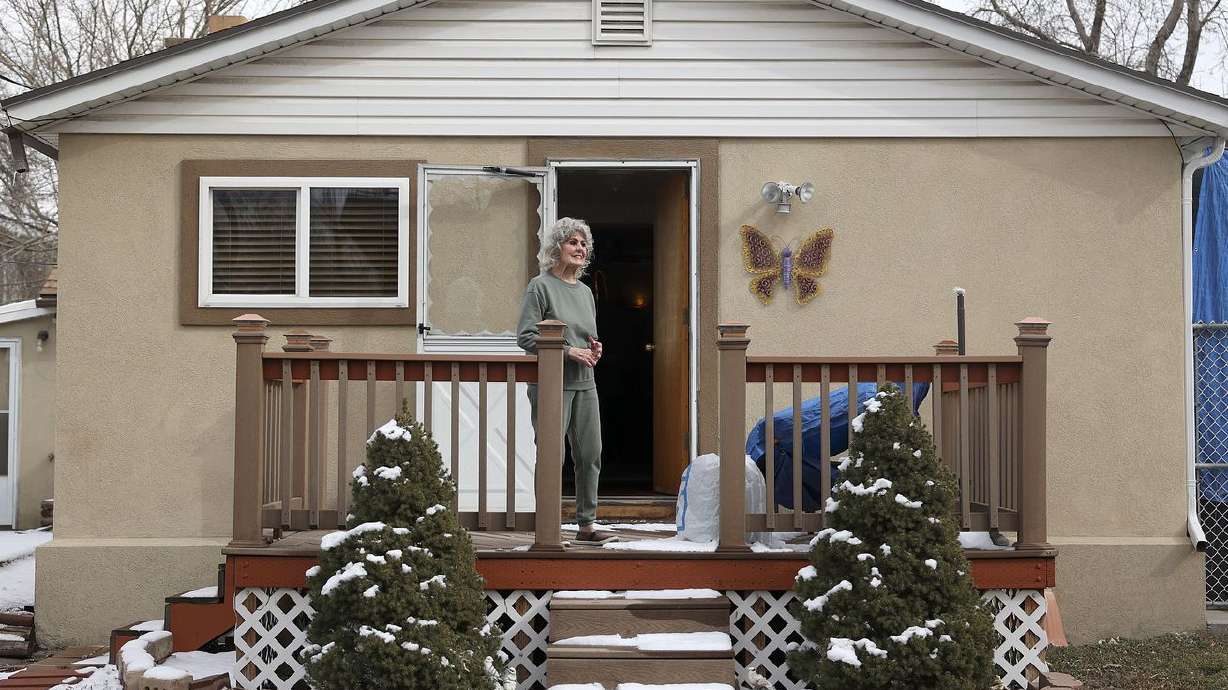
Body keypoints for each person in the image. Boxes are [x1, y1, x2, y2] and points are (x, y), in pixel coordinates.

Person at [517, 217, 618, 546]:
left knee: (590, 454)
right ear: (556, 247)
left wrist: (594, 348)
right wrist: (568, 351)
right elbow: (526, 336)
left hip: (585, 382)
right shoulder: (540, 286)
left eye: (583, 244)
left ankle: (586, 525)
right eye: (572, 242)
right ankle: (548, 527)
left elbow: (586, 336)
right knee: (552, 455)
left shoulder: (586, 292)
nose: (580, 248)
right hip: (551, 385)